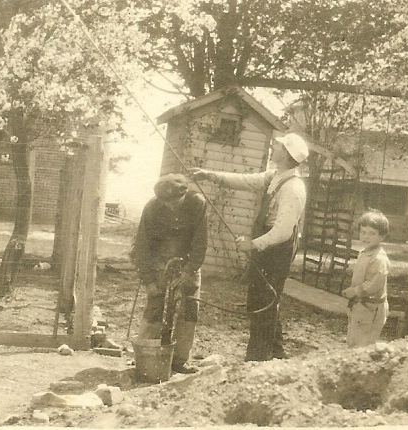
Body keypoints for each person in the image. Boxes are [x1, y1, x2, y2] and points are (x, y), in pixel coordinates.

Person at [190, 132, 309, 361]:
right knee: (263, 298)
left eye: (278, 146)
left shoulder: (293, 188)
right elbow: (245, 181)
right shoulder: (275, 176)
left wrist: (253, 245)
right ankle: (276, 352)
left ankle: (258, 358)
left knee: (264, 301)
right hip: (268, 241)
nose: (273, 148)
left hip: (277, 247)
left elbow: (283, 231)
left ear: (286, 154)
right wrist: (209, 175)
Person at [130, 173, 208, 374]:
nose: (171, 207)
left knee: (189, 308)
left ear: (184, 194)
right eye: (167, 203)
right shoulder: (152, 208)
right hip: (159, 261)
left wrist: (188, 272)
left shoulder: (197, 204)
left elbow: (200, 243)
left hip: (187, 261)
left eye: (175, 202)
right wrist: (149, 281)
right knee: (154, 305)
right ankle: (145, 354)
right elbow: (141, 247)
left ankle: (180, 360)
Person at [342, 209, 391, 348]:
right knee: (354, 339)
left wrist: (355, 291)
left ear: (382, 236)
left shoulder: (378, 259)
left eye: (372, 233)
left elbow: (374, 284)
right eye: (363, 232)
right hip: (361, 305)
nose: (366, 237)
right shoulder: (364, 253)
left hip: (371, 308)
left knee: (364, 344)